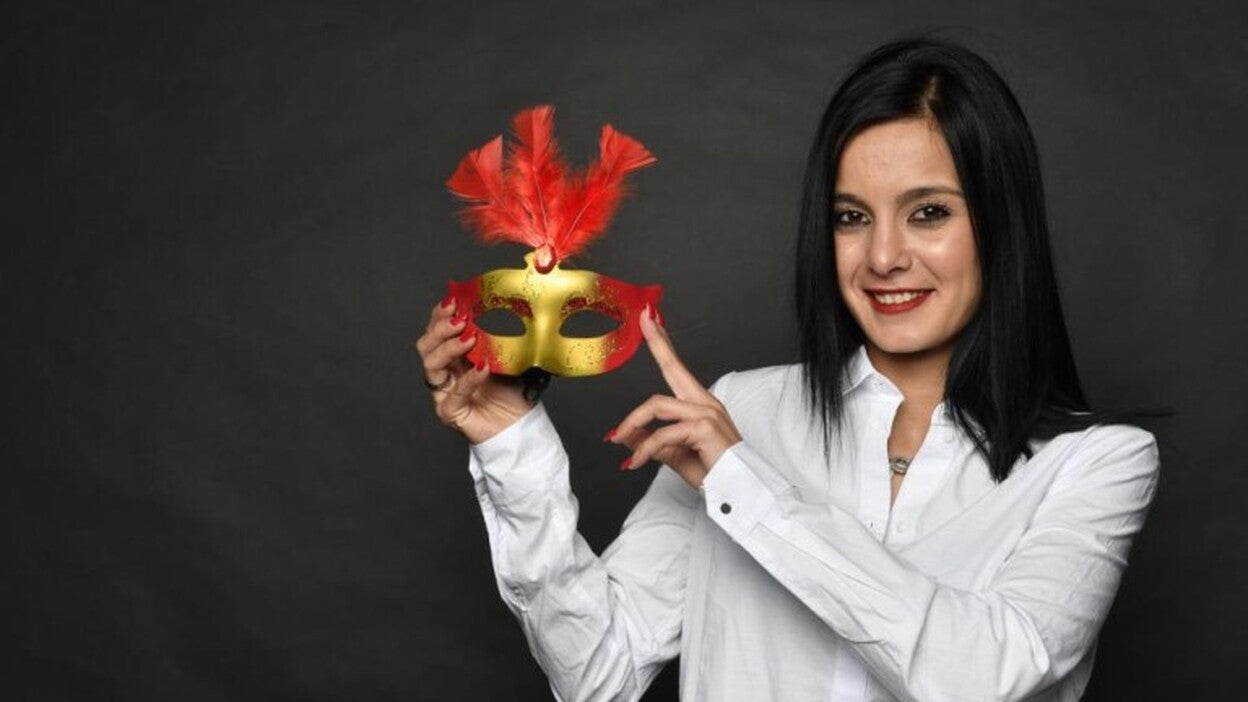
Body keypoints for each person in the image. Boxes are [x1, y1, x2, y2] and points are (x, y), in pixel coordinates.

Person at [416, 38, 1158, 701]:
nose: (883, 257)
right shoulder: (738, 414)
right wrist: (512, 446)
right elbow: (598, 673)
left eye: (928, 212)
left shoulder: (1095, 465)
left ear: (1000, 223)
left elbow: (982, 677)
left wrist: (744, 486)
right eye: (851, 217)